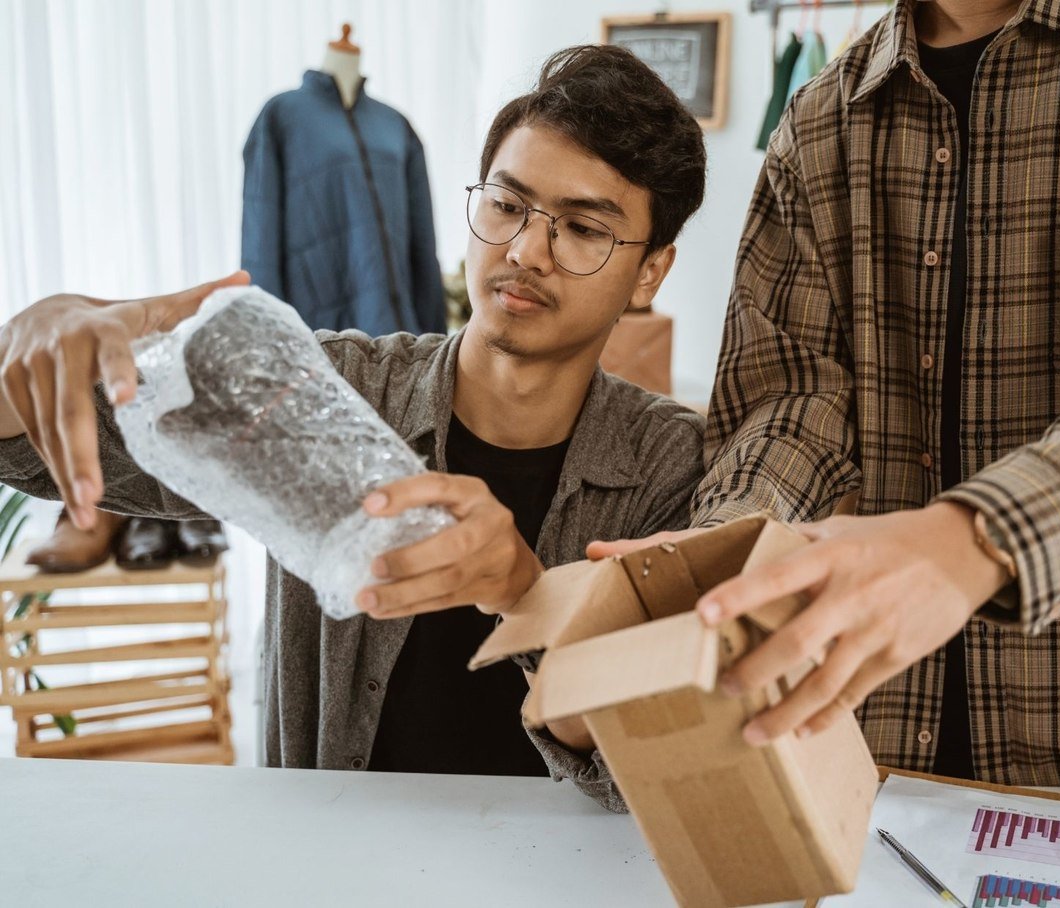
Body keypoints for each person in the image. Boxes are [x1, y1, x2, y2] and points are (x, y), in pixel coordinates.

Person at [595, 1, 1060, 904]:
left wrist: (976, 542)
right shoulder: (823, 116)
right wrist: (726, 553)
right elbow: (795, 399)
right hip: (870, 745)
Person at [0, 45, 705, 808]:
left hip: (558, 876)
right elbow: (39, 448)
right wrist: (38, 341)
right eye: (507, 206)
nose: (525, 251)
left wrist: (523, 592)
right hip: (323, 866)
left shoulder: (670, 463)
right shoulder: (331, 386)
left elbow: (644, 756)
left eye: (582, 228)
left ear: (650, 272)